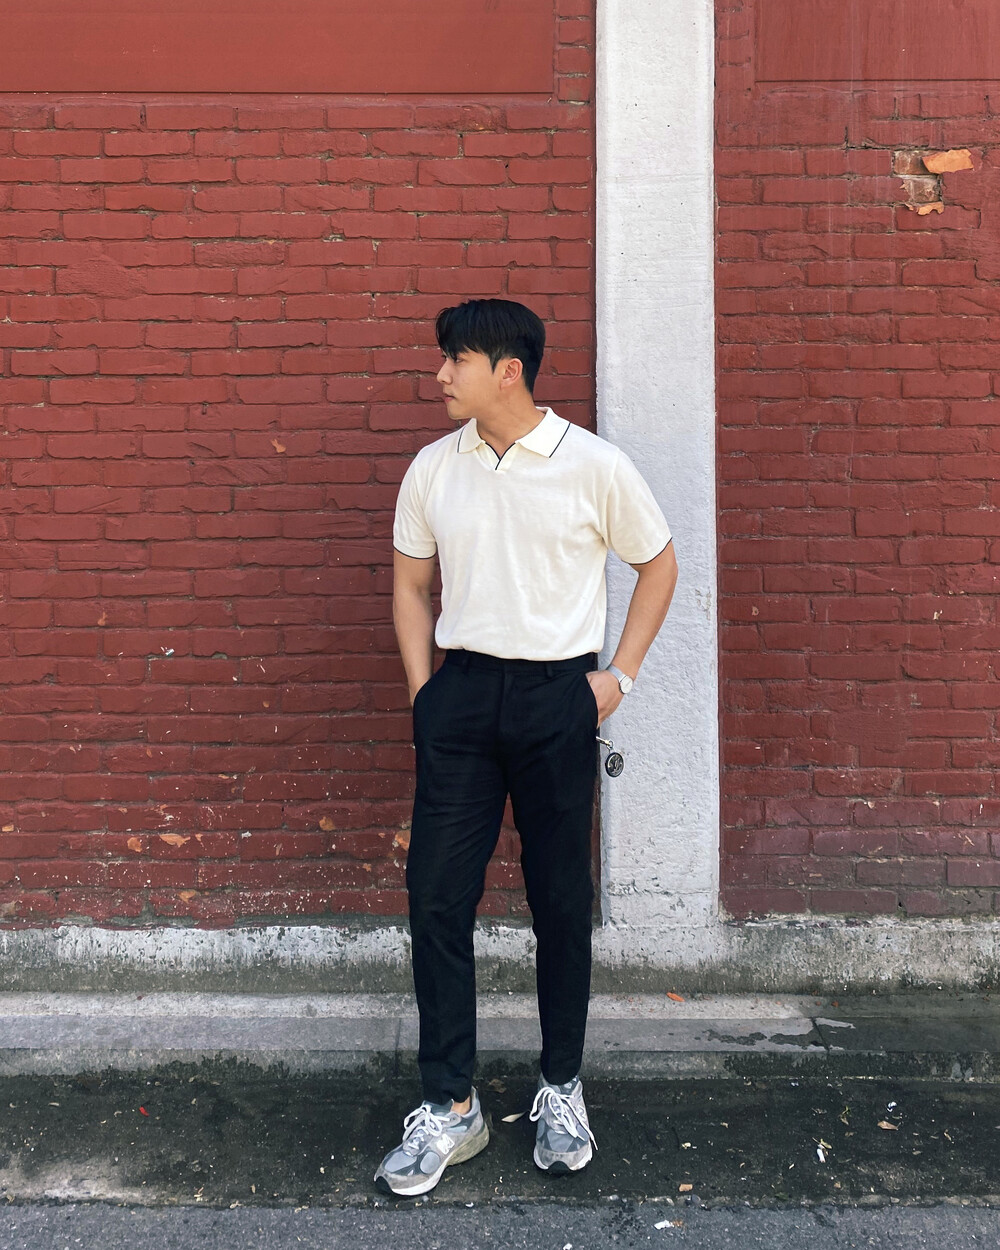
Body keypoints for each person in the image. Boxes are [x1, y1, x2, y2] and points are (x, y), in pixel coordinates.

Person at [375, 298, 678, 1197]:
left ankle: (561, 1087)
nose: (440, 375)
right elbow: (410, 585)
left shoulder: (594, 465)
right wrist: (425, 695)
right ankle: (450, 1105)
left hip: (558, 698)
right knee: (436, 896)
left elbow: (658, 563)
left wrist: (618, 679)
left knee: (559, 901)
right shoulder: (434, 468)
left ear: (507, 370)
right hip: (461, 698)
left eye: (455, 360)